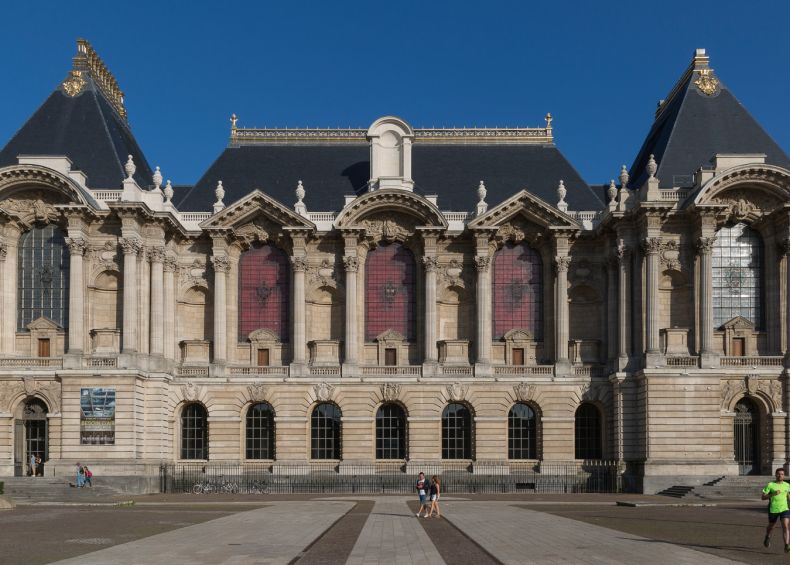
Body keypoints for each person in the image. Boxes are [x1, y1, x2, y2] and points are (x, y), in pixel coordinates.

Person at [762, 467, 790, 552]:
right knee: (771, 526)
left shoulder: (787, 485)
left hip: (784, 509)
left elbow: (788, 495)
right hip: (773, 509)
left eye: (782, 474)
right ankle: (767, 536)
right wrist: (772, 494)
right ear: (775, 475)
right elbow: (763, 497)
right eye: (778, 474)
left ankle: (786, 545)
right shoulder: (770, 485)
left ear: (784, 475)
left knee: (785, 526)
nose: (780, 476)